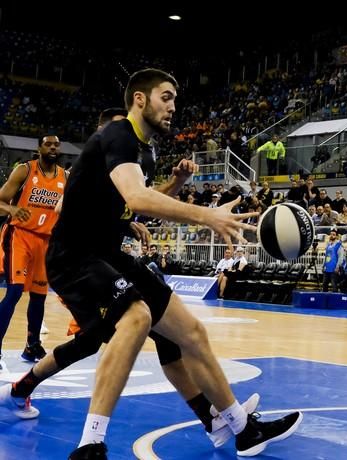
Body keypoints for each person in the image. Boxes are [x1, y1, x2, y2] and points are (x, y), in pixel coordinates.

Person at [20, 69, 301, 458]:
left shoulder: (145, 151)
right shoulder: (118, 134)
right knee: (135, 319)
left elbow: (137, 202)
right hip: (75, 256)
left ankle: (240, 427)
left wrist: (161, 199)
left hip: (110, 254)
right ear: (139, 99)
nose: (173, 107)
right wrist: (207, 215)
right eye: (165, 97)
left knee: (191, 333)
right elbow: (136, 198)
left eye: (174, 99)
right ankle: (90, 443)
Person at [0, 134, 67, 367]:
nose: (52, 147)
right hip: (19, 236)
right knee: (15, 291)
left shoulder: (64, 177)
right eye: (48, 144)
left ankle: (32, 346)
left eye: (56, 145)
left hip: (46, 241)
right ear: (39, 147)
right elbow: (0, 201)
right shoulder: (24, 170)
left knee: (39, 297)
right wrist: (12, 209)